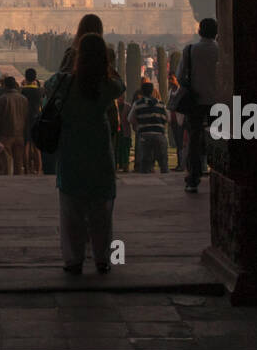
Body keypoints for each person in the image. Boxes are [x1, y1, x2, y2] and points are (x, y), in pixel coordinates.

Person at [52, 32, 122, 275]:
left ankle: (73, 260)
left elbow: (51, 85)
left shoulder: (66, 83)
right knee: (101, 209)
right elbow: (120, 84)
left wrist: (69, 61)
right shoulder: (106, 85)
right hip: (99, 148)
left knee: (71, 208)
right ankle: (102, 259)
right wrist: (107, 64)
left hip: (72, 148)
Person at [178, 18, 220, 193]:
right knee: (219, 140)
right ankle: (219, 175)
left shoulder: (190, 50)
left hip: (195, 101)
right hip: (218, 101)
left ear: (199, 31)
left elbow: (180, 77)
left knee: (194, 140)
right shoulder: (221, 50)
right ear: (216, 32)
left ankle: (193, 179)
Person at [0, 75, 30, 175]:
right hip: (20, 136)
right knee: (18, 166)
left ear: (5, 86)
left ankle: (7, 188)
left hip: (5, 136)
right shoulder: (24, 99)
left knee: (6, 167)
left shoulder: (3, 99)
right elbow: (27, 119)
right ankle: (17, 188)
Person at [129, 81, 170, 173]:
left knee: (144, 161)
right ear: (152, 91)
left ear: (142, 92)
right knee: (163, 161)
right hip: (159, 134)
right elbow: (169, 118)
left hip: (144, 135)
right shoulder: (161, 104)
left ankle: (144, 177)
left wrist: (140, 123)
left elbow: (130, 119)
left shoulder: (138, 104)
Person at [20, 68, 45, 174]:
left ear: (25, 77)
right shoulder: (40, 91)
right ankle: (38, 170)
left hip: (25, 118)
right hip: (37, 117)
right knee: (36, 146)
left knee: (26, 144)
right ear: (35, 78)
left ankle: (26, 169)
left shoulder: (22, 91)